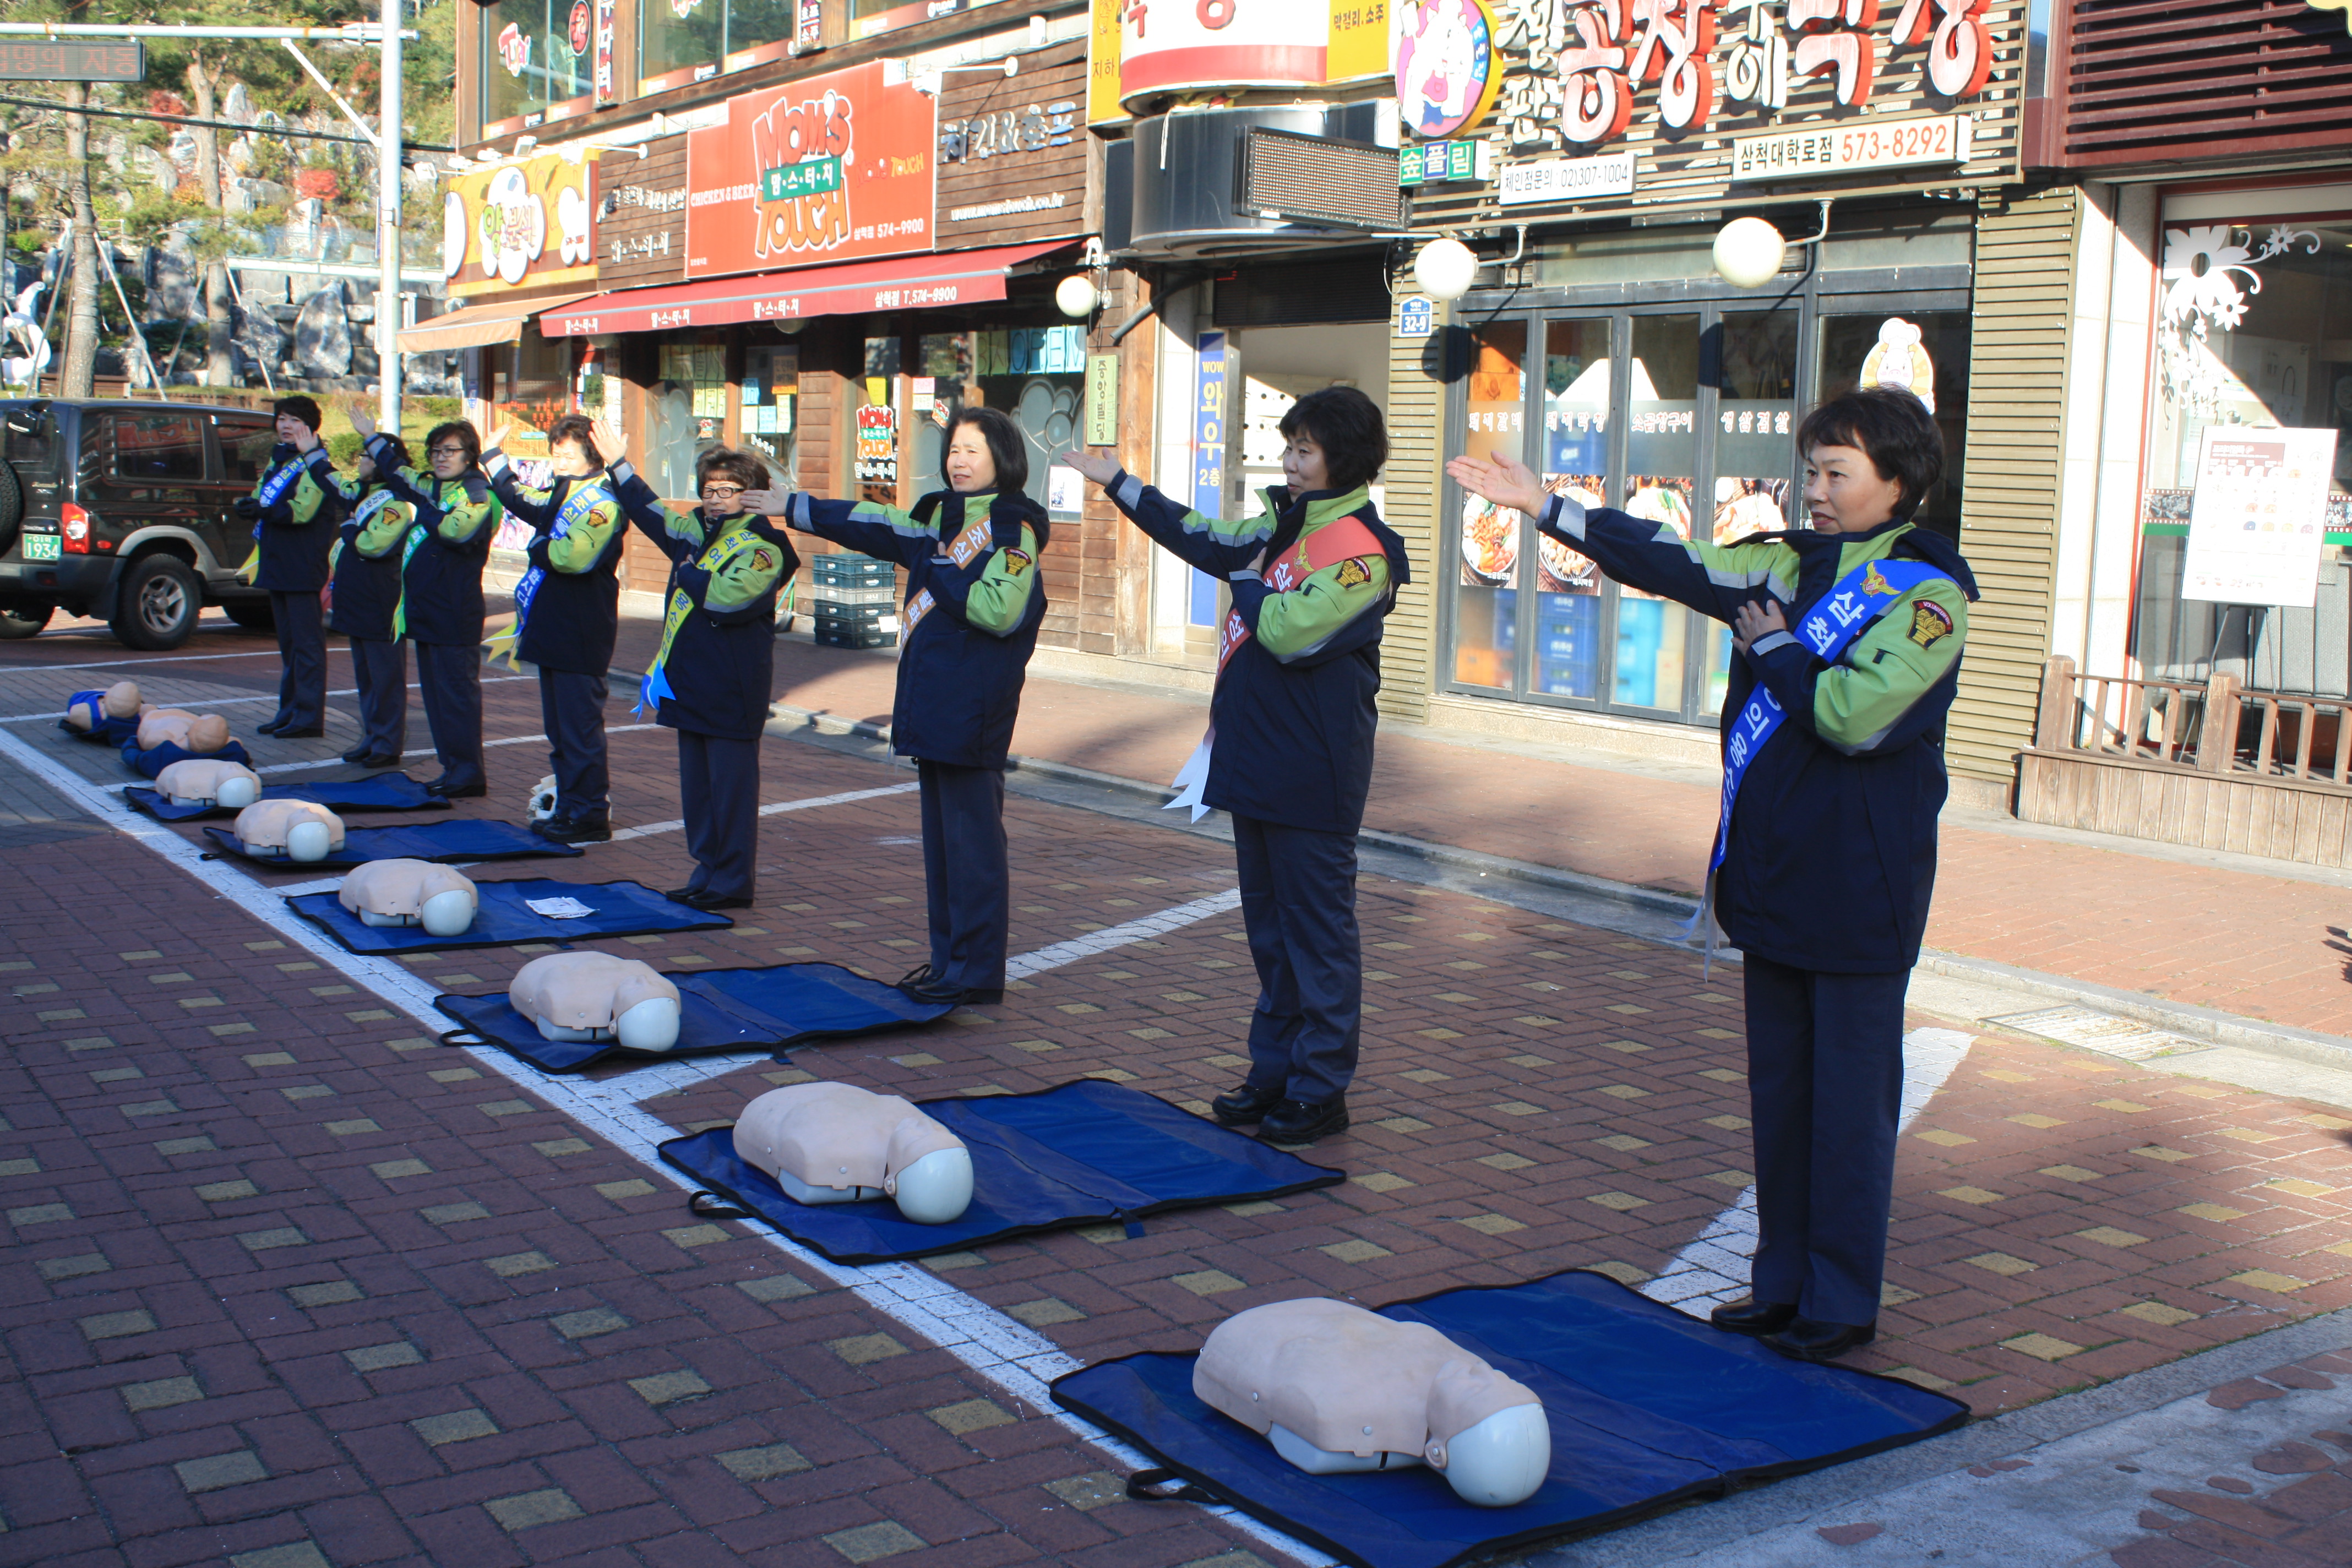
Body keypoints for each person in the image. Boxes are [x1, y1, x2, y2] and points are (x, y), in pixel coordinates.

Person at [1447, 385, 1977, 1363]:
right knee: (1782, 1098)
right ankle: (1780, 1284)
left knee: (1847, 1111)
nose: (1815, 491)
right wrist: (1546, 508)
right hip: (1771, 875)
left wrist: (1773, 648)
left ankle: (1839, 1301)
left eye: (1837, 473)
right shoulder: (1783, 561)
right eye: (1809, 471)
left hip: (1859, 887)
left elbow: (1855, 716)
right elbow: (1672, 558)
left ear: (1899, 482)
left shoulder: (1928, 594)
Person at [1066, 386, 1409, 1147]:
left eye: (1304, 450)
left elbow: (1290, 631)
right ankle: (1274, 1072)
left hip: (1313, 770)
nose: (1289, 462)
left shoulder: (1365, 549)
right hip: (1254, 756)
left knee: (1317, 936)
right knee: (1271, 933)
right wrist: (1120, 483)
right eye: (1289, 447)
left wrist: (1249, 584)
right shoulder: (1279, 526)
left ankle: (1320, 1089)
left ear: (1344, 457)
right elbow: (1201, 535)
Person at [744, 406, 1046, 1004]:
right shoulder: (937, 514)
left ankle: (975, 973)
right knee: (943, 849)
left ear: (1003, 458)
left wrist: (940, 571)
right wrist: (795, 507)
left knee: (973, 849)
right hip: (931, 701)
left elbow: (1000, 609)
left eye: (973, 450)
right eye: (953, 449)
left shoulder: (1014, 526)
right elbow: (871, 522)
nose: (959, 460)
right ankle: (949, 962)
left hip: (974, 705)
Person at [600, 423, 799, 910]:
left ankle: (732, 881)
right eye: (709, 490)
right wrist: (619, 465)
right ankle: (706, 870)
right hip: (690, 683)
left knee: (730, 793)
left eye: (727, 490)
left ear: (751, 495)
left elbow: (727, 599)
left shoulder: (763, 546)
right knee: (698, 791)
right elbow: (649, 511)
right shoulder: (695, 533)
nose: (715, 499)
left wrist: (689, 573)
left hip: (731, 688)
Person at [481, 414, 627, 843]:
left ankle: (590, 814)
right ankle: (568, 807)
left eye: (568, 454)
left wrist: (538, 546)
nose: (559, 462)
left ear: (592, 456)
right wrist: (493, 456)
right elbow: (519, 497)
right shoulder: (563, 492)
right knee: (560, 731)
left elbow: (572, 558)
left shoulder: (601, 502)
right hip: (553, 630)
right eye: (556, 454)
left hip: (580, 631)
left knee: (579, 730)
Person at [350, 410, 500, 799]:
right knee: (435, 700)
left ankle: (468, 773)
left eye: (451, 450)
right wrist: (371, 437)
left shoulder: (477, 493)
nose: (441, 458)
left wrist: (425, 505)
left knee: (456, 699)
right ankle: (452, 768)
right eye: (435, 451)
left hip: (455, 613)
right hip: (425, 611)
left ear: (470, 455)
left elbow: (455, 531)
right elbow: (396, 469)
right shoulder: (430, 486)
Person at [238, 396, 339, 739]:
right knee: (289, 644)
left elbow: (303, 510)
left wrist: (264, 511)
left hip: (302, 564)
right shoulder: (279, 457)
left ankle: (308, 717)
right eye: (282, 418)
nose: (286, 425)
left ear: (310, 426)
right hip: (278, 562)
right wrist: (250, 506)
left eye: (294, 420)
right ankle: (289, 711)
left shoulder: (315, 462)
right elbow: (262, 495)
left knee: (307, 646)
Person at [324, 434, 416, 769]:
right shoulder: (363, 495)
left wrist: (350, 529)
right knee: (366, 677)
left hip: (381, 601)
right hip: (357, 598)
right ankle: (372, 736)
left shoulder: (396, 502)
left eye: (367, 456)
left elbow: (374, 544)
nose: (361, 461)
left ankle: (388, 743)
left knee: (385, 677)